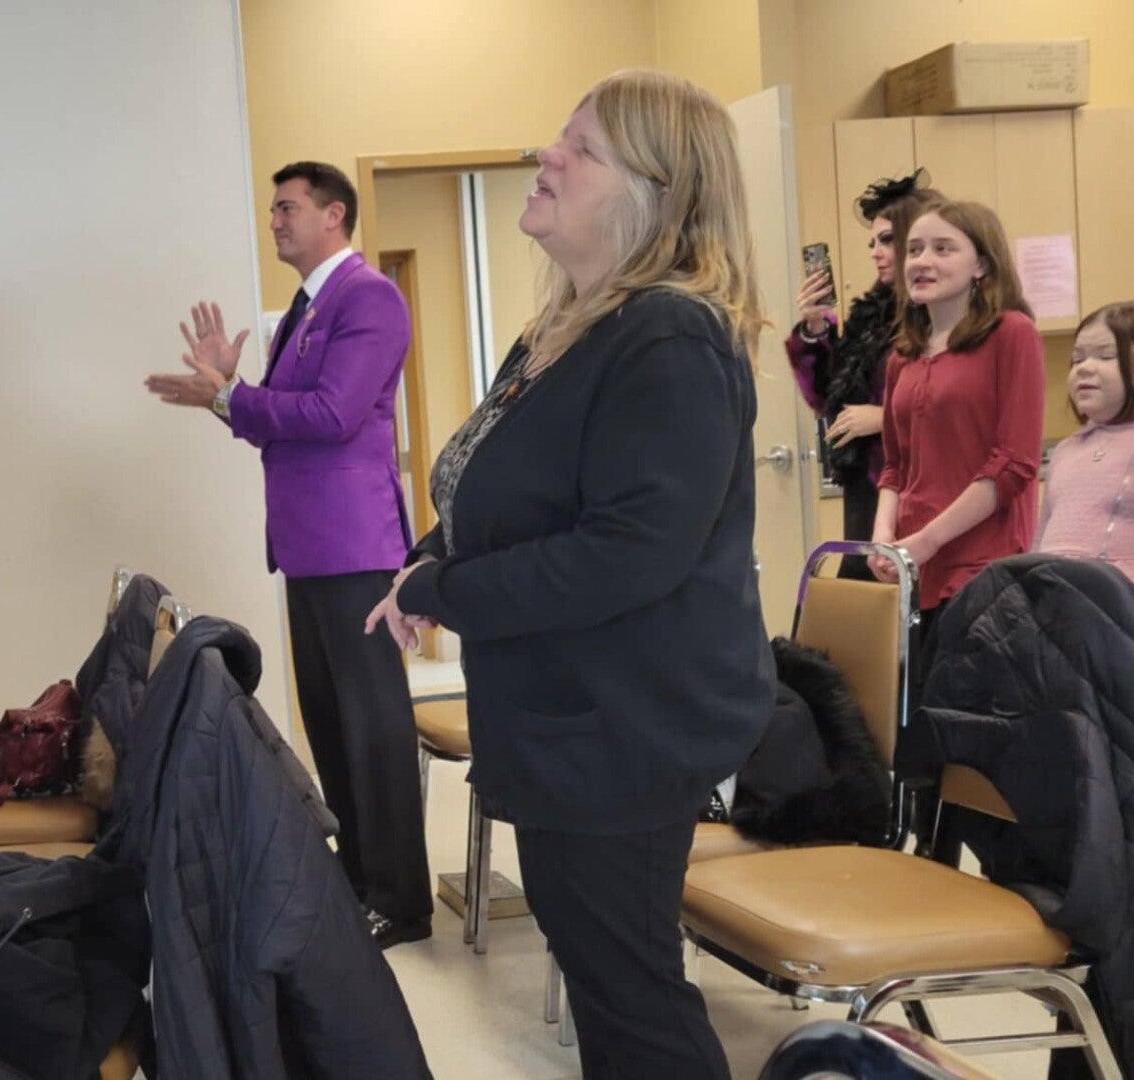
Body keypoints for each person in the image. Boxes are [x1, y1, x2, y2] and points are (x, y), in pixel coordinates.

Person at [365, 70, 773, 1078]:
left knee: (632, 1002)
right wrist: (430, 555)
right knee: (609, 985)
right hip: (570, 719)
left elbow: (626, 554)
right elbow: (499, 490)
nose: (547, 156)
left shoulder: (669, 335)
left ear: (656, 193)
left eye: (582, 148)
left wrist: (439, 593)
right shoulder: (566, 330)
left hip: (624, 727)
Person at [143, 161, 432, 947]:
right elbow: (279, 421)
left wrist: (230, 395)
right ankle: (359, 880)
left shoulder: (368, 297)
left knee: (372, 725)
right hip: (308, 546)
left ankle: (401, 900)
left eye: (287, 207)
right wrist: (228, 391)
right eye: (272, 210)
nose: (274, 220)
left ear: (334, 214)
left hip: (354, 545)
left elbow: (333, 415)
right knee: (331, 722)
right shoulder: (306, 307)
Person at [867, 201, 1043, 627]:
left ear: (982, 264)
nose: (922, 261)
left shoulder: (1012, 333)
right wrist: (882, 537)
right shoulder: (902, 356)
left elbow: (1013, 465)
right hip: (915, 567)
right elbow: (895, 467)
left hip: (983, 565)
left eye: (943, 249)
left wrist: (928, 540)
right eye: (914, 250)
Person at [787, 171, 944, 578]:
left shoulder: (941, 313)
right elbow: (828, 398)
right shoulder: (871, 316)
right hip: (866, 483)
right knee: (864, 595)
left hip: (920, 486)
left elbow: (954, 404)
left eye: (887, 240)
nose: (876, 252)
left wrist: (882, 417)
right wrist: (816, 327)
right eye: (872, 243)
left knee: (904, 595)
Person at [1036, 300, 1134, 594]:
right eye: (1077, 359)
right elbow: (1040, 536)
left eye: (1106, 356)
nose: (1084, 368)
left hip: (1132, 602)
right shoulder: (1066, 451)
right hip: (1057, 598)